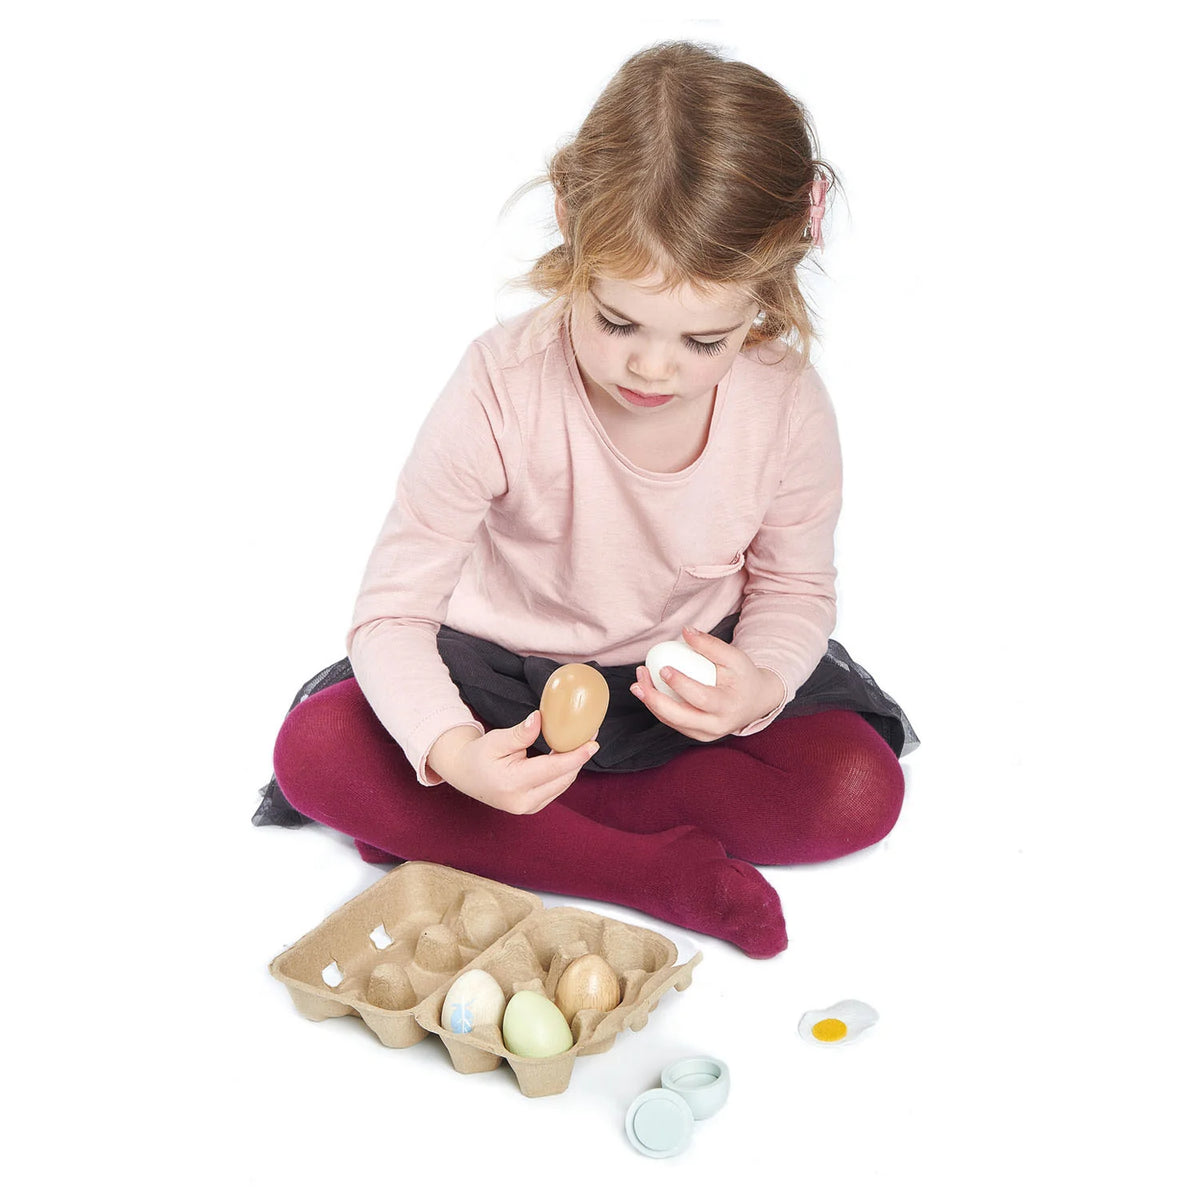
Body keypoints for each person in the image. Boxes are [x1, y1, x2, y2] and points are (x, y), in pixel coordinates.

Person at [263, 41, 918, 958]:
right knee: (314, 754)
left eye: (705, 341)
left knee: (858, 787)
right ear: (570, 222)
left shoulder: (788, 406)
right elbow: (391, 616)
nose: (653, 367)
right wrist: (452, 751)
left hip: (673, 695)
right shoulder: (501, 384)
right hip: (499, 685)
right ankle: (638, 871)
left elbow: (793, 591)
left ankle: (477, 832)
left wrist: (759, 685)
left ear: (769, 287)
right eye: (618, 322)